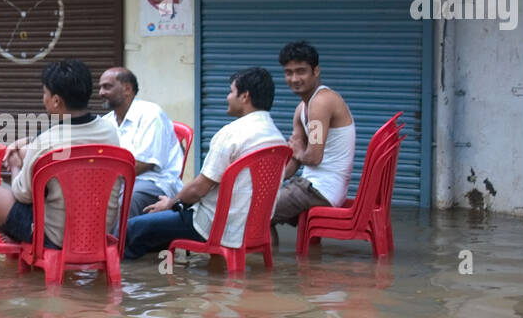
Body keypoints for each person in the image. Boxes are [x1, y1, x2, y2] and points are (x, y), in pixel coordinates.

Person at [123, 67, 285, 260]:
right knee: (156, 229)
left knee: (132, 229)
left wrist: (170, 203)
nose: (227, 97)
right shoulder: (278, 138)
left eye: (231, 91)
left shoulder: (232, 134)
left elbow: (198, 189)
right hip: (251, 228)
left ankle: (125, 284)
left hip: (213, 225)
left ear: (245, 97)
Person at [0, 59, 121, 249]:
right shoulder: (110, 131)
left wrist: (15, 166)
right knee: (29, 159)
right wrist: (30, 141)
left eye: (44, 93)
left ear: (56, 101)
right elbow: (72, 135)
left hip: (54, 237)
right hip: (97, 233)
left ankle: (23, 239)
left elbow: (23, 195)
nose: (43, 98)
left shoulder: (46, 142)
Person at [271, 41, 356, 229]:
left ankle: (268, 259)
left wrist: (300, 152)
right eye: (288, 72)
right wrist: (268, 182)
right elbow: (295, 160)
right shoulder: (302, 108)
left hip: (321, 191)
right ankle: (275, 258)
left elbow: (313, 157)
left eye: (301, 71)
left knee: (253, 212)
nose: (294, 78)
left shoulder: (321, 102)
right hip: (310, 187)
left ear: (316, 71)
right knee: (255, 204)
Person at [97, 66, 184, 218]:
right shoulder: (106, 122)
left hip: (153, 182)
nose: (101, 93)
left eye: (107, 87)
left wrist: (107, 179)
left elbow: (144, 164)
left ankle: (120, 242)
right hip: (119, 181)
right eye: (100, 88)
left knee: (127, 199)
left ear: (127, 89)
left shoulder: (151, 114)